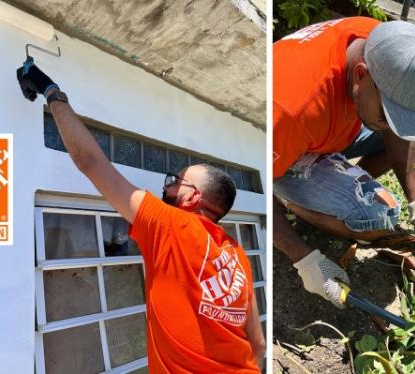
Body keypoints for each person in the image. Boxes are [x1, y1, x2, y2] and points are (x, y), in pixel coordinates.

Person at [16, 61, 264, 372]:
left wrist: (49, 89)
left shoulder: (170, 224)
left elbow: (89, 160)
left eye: (176, 180)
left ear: (193, 196)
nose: (168, 184)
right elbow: (258, 344)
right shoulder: (237, 254)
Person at [273, 18, 415, 308]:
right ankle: (286, 195)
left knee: (409, 131)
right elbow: (253, 185)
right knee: (375, 220)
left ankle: (334, 184)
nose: (391, 124)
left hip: (327, 129)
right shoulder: (291, 109)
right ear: (361, 75)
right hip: (284, 149)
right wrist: (304, 259)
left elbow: (398, 130)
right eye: (386, 115)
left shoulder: (384, 43)